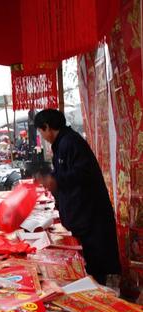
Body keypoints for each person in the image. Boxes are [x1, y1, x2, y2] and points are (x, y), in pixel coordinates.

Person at [34, 108, 121, 285]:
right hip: (83, 213)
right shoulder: (62, 143)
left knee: (96, 261)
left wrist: (54, 180)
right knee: (90, 259)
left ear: (48, 127)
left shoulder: (70, 142)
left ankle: (99, 295)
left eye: (41, 131)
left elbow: (82, 173)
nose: (42, 135)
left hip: (90, 213)